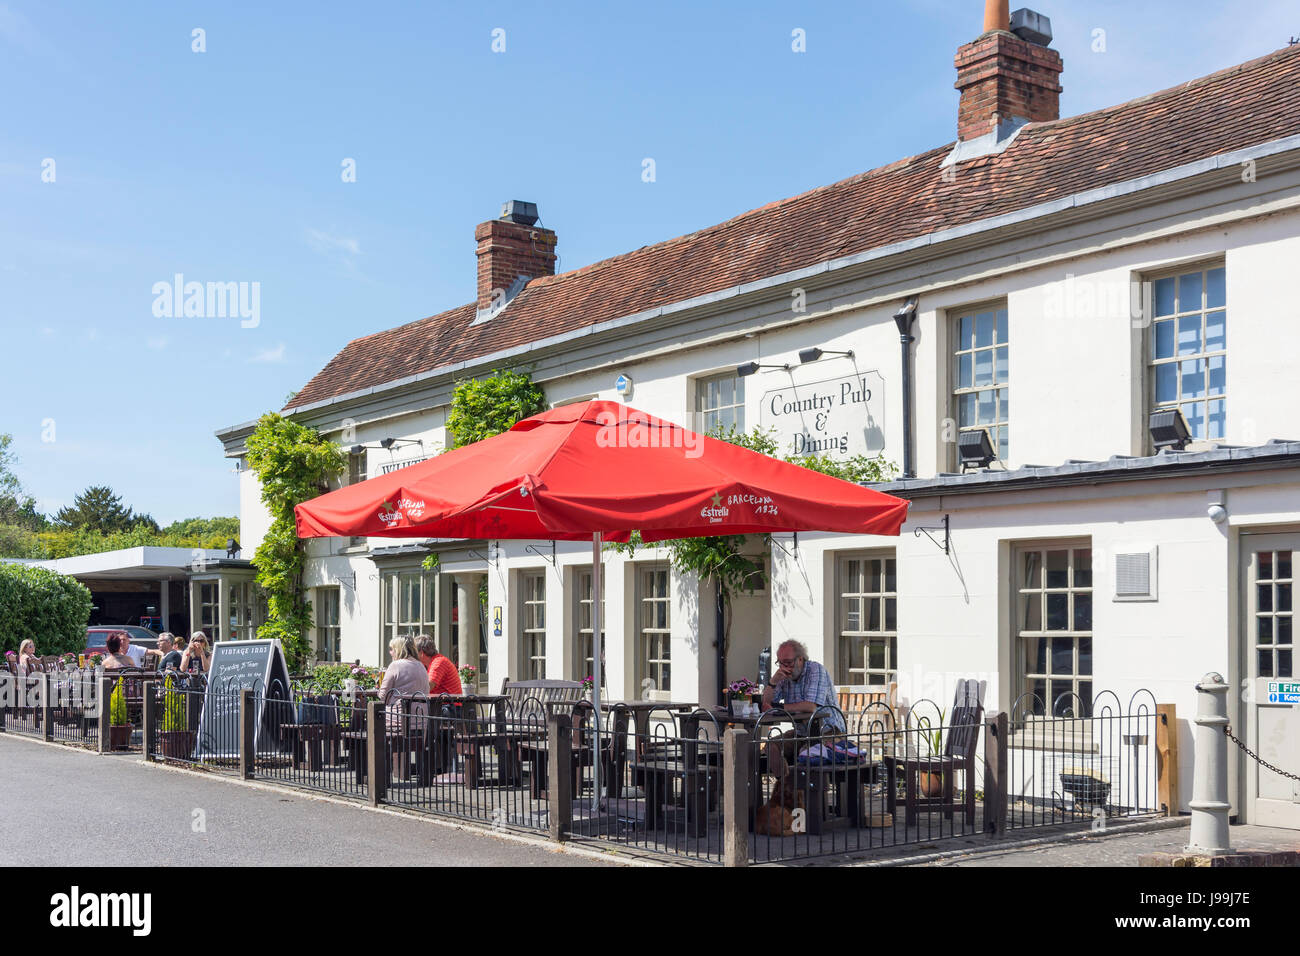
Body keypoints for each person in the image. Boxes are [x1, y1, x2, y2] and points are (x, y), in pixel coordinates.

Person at [760, 639, 845, 777]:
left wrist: (779, 707)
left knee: (808, 752)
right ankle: (785, 788)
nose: (783, 667)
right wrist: (773, 682)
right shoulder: (783, 675)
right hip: (802, 733)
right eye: (780, 663)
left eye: (787, 662)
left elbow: (810, 706)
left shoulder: (815, 670)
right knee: (771, 747)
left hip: (829, 731)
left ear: (800, 659)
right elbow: (766, 703)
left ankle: (809, 794)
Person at [378, 636, 431, 728]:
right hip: (422, 719)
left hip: (397, 719)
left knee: (370, 721)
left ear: (398, 649)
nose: (390, 652)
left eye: (392, 649)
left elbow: (383, 696)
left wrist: (378, 691)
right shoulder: (421, 666)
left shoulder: (395, 665)